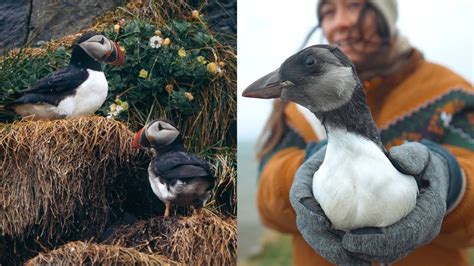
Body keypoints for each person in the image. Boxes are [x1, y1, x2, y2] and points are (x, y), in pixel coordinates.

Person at [255, 0, 474, 265]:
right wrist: (309, 171)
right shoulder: (295, 107)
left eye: (355, 6)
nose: (340, 22)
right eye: (328, 13)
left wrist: (450, 179)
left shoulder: (449, 92)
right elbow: (265, 202)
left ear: (385, 16)